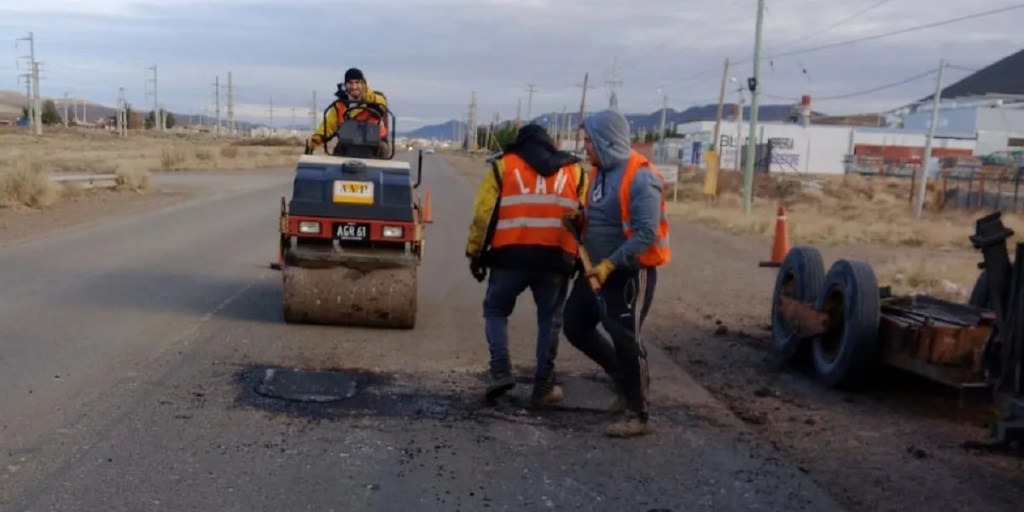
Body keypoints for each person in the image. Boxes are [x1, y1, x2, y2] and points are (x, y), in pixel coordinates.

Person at [562, 109, 671, 438]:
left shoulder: (641, 178)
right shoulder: (600, 172)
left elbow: (645, 233)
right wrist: (580, 220)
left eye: (589, 141)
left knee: (626, 339)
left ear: (605, 141)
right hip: (595, 270)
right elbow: (603, 215)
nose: (586, 148)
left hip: (628, 274)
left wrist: (611, 263)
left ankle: (638, 413)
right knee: (576, 326)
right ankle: (623, 382)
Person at [465, 124, 587, 407]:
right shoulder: (574, 170)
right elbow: (585, 215)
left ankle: (500, 371)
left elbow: (483, 215)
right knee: (549, 320)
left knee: (495, 310)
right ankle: (543, 386)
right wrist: (582, 257)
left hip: (509, 258)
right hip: (556, 259)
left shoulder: (503, 166)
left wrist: (475, 253)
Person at [307, 67, 390, 157]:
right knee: (337, 153)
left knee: (383, 151)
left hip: (376, 144)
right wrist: (315, 140)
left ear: (363, 83)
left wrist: (368, 98)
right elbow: (329, 125)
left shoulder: (376, 99)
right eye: (350, 83)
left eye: (357, 83)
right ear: (345, 85)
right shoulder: (340, 105)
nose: (354, 87)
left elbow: (381, 103)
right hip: (347, 144)